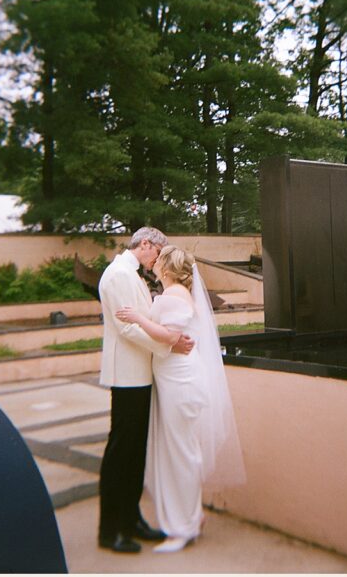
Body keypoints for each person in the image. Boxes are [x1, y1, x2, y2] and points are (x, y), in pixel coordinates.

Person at [116, 245, 245, 553]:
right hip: (173, 379)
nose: (154, 262)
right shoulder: (173, 295)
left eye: (159, 260)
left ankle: (183, 528)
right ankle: (191, 516)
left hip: (179, 381)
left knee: (180, 453)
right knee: (179, 450)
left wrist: (137, 317)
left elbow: (170, 336)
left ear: (168, 267)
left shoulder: (173, 296)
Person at [98, 227, 194, 554]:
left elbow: (143, 318)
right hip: (126, 375)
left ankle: (131, 519)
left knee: (135, 453)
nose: (158, 261)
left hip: (140, 375)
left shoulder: (132, 274)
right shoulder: (117, 276)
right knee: (121, 453)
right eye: (158, 252)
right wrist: (169, 344)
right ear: (146, 244)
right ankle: (110, 530)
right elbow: (127, 327)